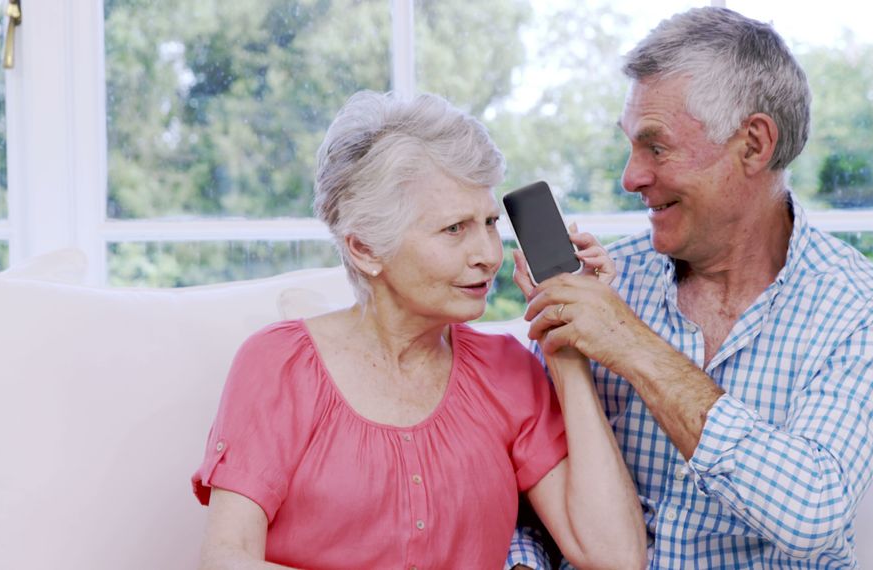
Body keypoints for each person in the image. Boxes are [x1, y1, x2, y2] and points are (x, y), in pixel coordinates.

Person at [507, 7, 873, 569]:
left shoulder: (866, 311)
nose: (631, 177)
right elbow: (526, 503)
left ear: (753, 144)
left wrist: (628, 342)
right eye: (630, 146)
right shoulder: (601, 287)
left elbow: (812, 513)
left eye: (656, 146)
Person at [191, 90, 646, 570]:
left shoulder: (507, 371)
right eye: (455, 229)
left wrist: (565, 341)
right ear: (365, 248)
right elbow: (226, 557)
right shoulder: (278, 365)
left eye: (490, 222)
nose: (488, 254)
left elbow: (615, 557)